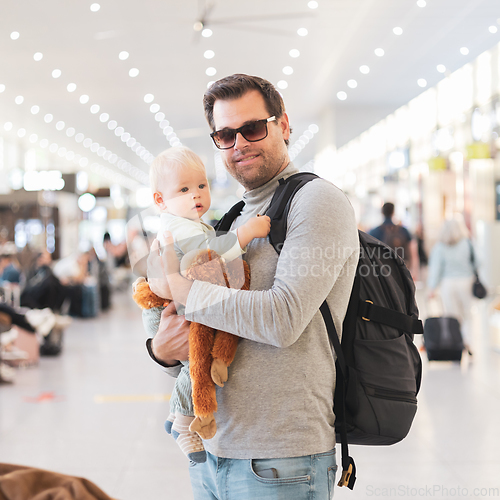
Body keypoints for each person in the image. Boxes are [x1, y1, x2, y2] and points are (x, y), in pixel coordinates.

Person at [143, 74, 359, 499]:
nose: (240, 142)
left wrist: (185, 293)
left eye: (253, 128)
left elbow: (282, 319)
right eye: (225, 134)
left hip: (281, 460)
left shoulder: (315, 201)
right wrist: (161, 350)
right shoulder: (234, 217)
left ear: (283, 126)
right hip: (214, 450)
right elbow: (191, 328)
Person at [143, 145, 270, 463]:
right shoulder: (179, 227)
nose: (196, 194)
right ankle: (183, 421)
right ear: (161, 200)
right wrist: (245, 234)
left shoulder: (187, 223)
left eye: (202, 186)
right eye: (184, 189)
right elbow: (209, 253)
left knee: (195, 359)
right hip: (170, 308)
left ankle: (178, 418)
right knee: (195, 360)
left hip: (171, 303)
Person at [427, 215, 476, 355]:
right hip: (466, 281)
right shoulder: (467, 243)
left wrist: (432, 288)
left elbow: (436, 269)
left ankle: (457, 343)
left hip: (447, 284)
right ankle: (468, 341)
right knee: (467, 314)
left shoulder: (440, 246)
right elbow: (478, 261)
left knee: (452, 316)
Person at [369, 202, 419, 278]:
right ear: (393, 212)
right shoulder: (403, 231)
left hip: (381, 273)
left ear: (382, 212)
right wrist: (414, 271)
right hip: (401, 271)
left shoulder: (374, 232)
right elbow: (413, 253)